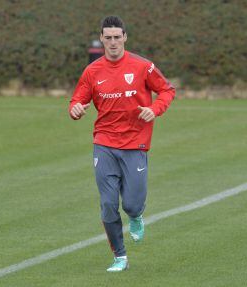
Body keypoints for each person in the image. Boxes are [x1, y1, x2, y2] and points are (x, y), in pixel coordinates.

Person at [69, 15, 175, 272]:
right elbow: (77, 99)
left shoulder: (143, 66)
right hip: (104, 142)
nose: (113, 42)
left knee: (131, 204)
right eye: (108, 38)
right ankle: (120, 257)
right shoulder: (92, 71)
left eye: (118, 37)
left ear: (125, 37)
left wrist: (155, 109)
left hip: (135, 143)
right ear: (102, 39)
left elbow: (167, 90)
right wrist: (75, 109)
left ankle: (136, 216)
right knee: (107, 204)